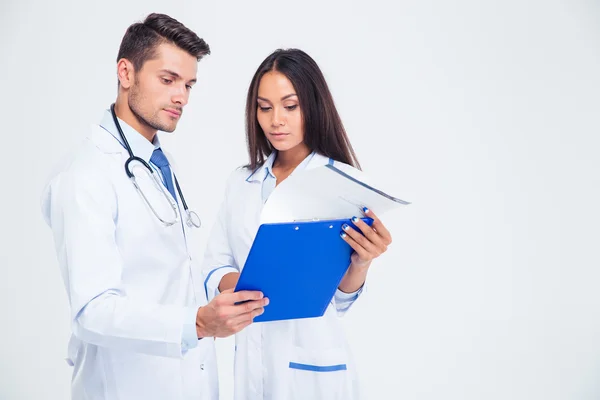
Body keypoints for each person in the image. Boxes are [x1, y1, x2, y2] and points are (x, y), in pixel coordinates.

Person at [40, 13, 268, 400]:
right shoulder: (84, 175)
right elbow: (92, 312)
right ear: (126, 73)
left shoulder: (155, 162)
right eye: (167, 80)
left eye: (189, 85)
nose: (181, 96)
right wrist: (195, 323)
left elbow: (171, 272)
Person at [202, 48, 393, 400]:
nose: (276, 120)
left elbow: (338, 300)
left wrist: (362, 261)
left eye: (290, 106)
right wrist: (249, 290)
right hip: (250, 361)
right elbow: (213, 266)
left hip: (314, 367)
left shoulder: (342, 185)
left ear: (313, 106)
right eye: (265, 107)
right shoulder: (240, 182)